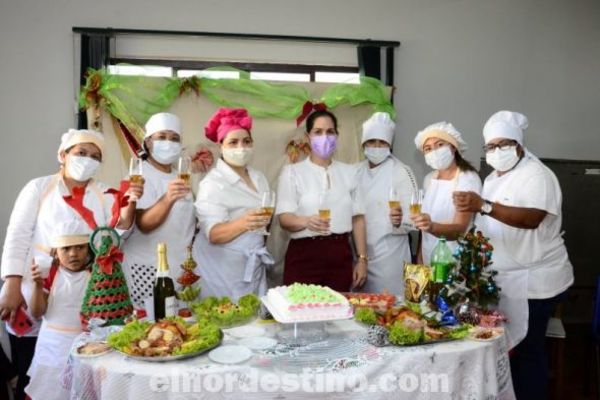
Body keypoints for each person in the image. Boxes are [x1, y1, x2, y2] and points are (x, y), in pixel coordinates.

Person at [0, 129, 142, 400]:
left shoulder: (103, 193)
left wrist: (130, 203)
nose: (87, 160)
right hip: (36, 286)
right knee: (34, 368)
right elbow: (17, 234)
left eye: (95, 156)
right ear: (62, 155)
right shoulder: (39, 188)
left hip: (81, 292)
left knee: (81, 366)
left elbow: (118, 233)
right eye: (81, 153)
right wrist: (12, 282)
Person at [453, 110, 574, 399]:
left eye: (503, 144)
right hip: (508, 280)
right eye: (490, 146)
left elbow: (531, 219)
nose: (496, 151)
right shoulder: (494, 177)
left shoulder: (537, 175)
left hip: (536, 283)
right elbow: (487, 223)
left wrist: (483, 206)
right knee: (509, 351)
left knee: (527, 353)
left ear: (519, 145)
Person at [277, 109, 368, 292]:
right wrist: (305, 221)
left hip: (339, 254)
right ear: (307, 136)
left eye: (330, 132)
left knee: (337, 314)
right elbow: (284, 218)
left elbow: (357, 219)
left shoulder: (350, 173)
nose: (324, 137)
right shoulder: (292, 173)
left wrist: (362, 259)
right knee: (301, 313)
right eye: (318, 132)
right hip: (304, 255)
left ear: (337, 135)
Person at [193, 108, 274, 301]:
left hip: (251, 264)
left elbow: (266, 218)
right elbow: (213, 234)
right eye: (233, 142)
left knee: (254, 322)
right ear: (220, 146)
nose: (241, 147)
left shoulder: (259, 177)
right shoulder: (213, 184)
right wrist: (244, 223)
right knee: (227, 321)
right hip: (220, 269)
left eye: (246, 141)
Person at [122, 113, 200, 307]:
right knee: (150, 326)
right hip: (148, 267)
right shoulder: (139, 174)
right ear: (148, 142)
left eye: (174, 138)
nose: (169, 143)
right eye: (162, 137)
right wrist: (168, 198)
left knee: (178, 328)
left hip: (180, 268)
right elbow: (144, 224)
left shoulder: (179, 175)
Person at [25, 221, 92, 400]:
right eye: (66, 248)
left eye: (80, 247)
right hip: (52, 346)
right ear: (55, 252)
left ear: (89, 249)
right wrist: (38, 286)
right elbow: (37, 312)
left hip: (84, 346)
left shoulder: (95, 274)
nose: (73, 254)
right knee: (48, 391)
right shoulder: (50, 274)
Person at [355, 112, 417, 296]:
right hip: (360, 257)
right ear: (363, 144)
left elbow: (414, 219)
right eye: (371, 141)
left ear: (389, 144)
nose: (376, 146)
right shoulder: (356, 172)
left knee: (389, 311)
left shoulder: (401, 172)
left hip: (390, 260)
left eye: (382, 142)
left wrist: (399, 221)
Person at [412, 122, 482, 264]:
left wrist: (432, 226)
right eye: (428, 148)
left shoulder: (468, 179)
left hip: (456, 260)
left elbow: (460, 229)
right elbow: (423, 225)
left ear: (453, 146)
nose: (434, 152)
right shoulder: (429, 179)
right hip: (428, 255)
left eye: (439, 145)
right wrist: (420, 256)